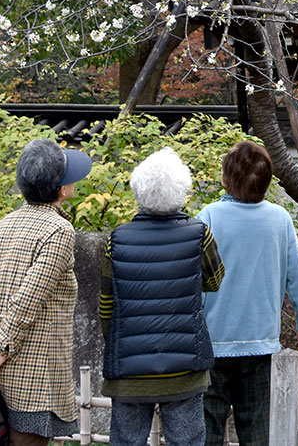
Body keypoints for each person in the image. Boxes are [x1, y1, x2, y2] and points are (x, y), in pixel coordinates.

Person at [0, 138, 92, 446]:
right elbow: (29, 297)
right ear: (62, 189)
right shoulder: (58, 230)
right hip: (34, 373)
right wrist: (0, 351)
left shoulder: (2, 226)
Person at [100, 147, 225, 446]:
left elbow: (107, 306)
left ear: (138, 191)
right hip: (185, 369)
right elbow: (215, 280)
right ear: (181, 190)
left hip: (129, 372)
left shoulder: (117, 239)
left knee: (126, 441)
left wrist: (118, 345)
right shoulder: (199, 234)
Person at [199, 140, 298, 446]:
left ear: (225, 177)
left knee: (206, 428)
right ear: (267, 182)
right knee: (257, 431)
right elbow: (297, 277)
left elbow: (194, 279)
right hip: (260, 344)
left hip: (212, 342)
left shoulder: (209, 216)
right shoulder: (279, 220)